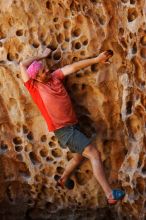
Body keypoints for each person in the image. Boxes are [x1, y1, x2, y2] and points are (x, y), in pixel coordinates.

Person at [20, 48, 125, 205]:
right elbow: (22, 64)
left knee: (78, 157)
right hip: (64, 130)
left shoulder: (55, 77)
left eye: (45, 68)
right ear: (36, 78)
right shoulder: (33, 87)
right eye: (42, 71)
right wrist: (40, 55)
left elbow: (74, 67)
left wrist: (96, 60)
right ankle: (110, 194)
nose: (47, 70)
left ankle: (63, 179)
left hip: (73, 126)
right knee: (94, 154)